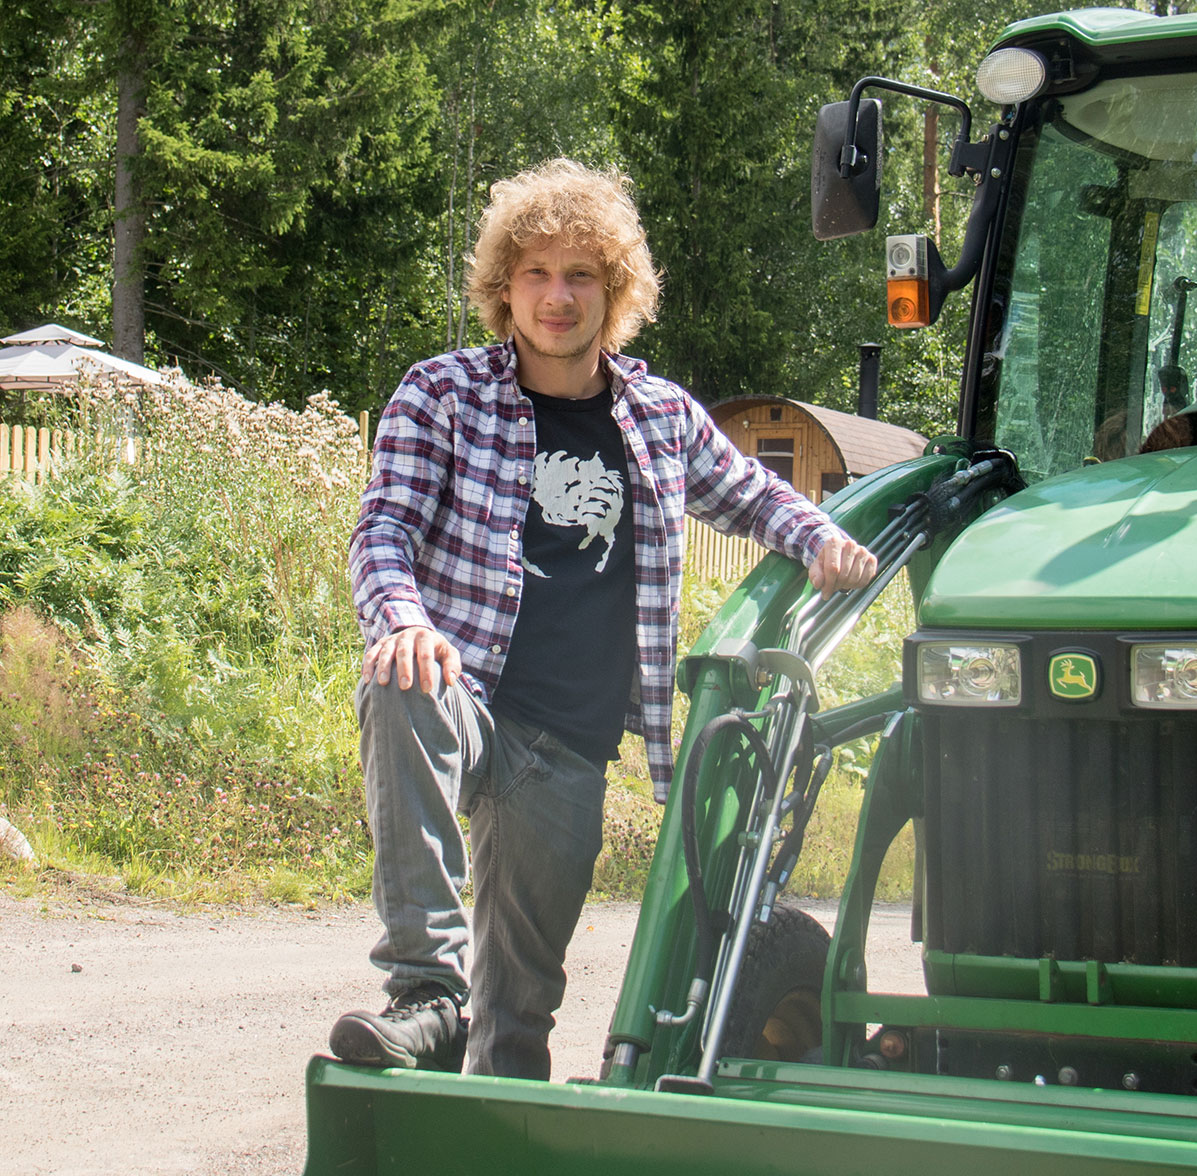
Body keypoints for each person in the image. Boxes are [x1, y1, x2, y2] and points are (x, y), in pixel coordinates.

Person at [331, 158, 877, 1081]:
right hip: (461, 691)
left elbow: (751, 495)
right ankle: (425, 993)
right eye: (536, 273)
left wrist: (822, 537)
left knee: (520, 1012)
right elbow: (383, 527)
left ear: (614, 293)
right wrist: (402, 620)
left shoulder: (659, 417)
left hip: (567, 749)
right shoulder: (442, 395)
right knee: (397, 679)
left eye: (580, 274)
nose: (556, 296)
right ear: (504, 288)